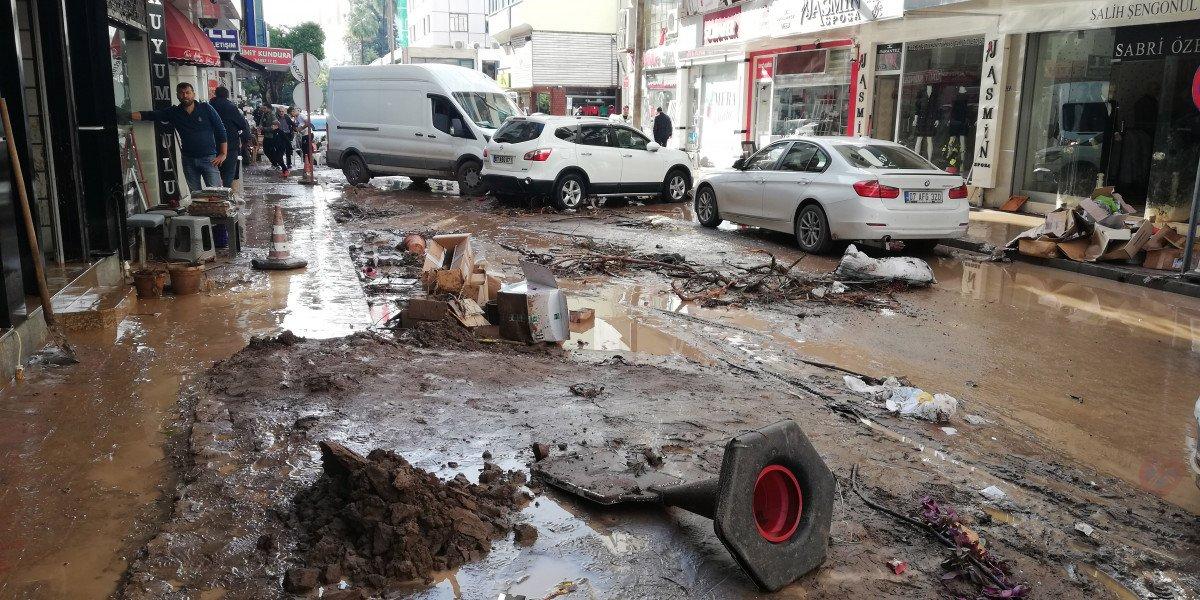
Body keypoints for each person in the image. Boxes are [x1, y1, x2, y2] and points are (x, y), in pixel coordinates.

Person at [132, 82, 227, 192]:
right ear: (177, 95)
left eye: (188, 92)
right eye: (182, 93)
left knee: (216, 194)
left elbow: (221, 129)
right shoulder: (174, 112)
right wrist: (127, 115)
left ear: (193, 94)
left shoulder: (206, 108)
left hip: (209, 159)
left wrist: (223, 154)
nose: (185, 95)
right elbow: (150, 115)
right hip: (188, 160)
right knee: (195, 195)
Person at [209, 86, 251, 188]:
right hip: (230, 145)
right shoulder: (231, 107)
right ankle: (225, 196)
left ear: (216, 94)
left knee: (213, 174)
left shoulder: (209, 106)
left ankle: (215, 195)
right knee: (228, 173)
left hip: (211, 145)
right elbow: (242, 124)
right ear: (227, 95)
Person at [276, 106, 295, 175]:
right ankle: (282, 165)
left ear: (284, 112)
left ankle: (289, 164)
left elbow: (293, 124)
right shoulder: (276, 118)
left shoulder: (287, 117)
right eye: (280, 111)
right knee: (280, 150)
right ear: (278, 112)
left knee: (288, 150)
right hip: (280, 136)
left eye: (282, 111)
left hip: (287, 135)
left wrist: (294, 130)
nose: (281, 113)